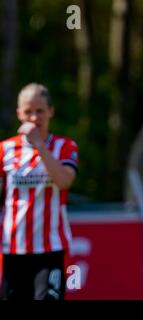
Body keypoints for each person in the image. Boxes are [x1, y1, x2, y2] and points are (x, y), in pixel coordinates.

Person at [0, 83, 78, 300]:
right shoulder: (5, 150)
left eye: (40, 111)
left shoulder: (65, 146)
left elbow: (64, 181)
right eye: (28, 112)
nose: (34, 118)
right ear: (18, 114)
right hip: (12, 250)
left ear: (51, 111)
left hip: (50, 250)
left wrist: (39, 146)